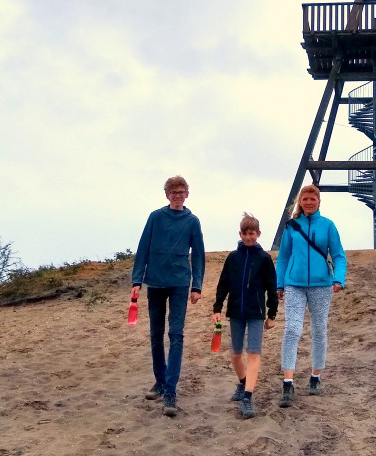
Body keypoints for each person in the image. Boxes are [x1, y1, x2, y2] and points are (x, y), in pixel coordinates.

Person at [131, 175, 205, 417]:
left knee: (176, 335)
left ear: (186, 194)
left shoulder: (192, 221)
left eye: (181, 192)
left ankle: (171, 391)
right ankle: (160, 382)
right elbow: (143, 248)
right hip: (155, 282)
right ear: (167, 195)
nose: (177, 195)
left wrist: (197, 286)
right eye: (173, 192)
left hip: (180, 284)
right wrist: (137, 280)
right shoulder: (155, 217)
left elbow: (199, 256)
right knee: (155, 334)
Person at [275, 184, 346, 408]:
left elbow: (339, 256)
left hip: (321, 286)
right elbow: (283, 258)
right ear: (300, 202)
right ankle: (288, 381)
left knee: (318, 329)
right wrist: (279, 284)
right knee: (292, 330)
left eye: (312, 199)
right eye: (304, 199)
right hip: (294, 284)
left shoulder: (328, 226)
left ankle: (315, 376)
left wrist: (338, 279)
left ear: (318, 202)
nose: (308, 202)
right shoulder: (291, 227)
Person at [212, 213, 278, 419]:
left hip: (257, 313)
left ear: (258, 234)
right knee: (235, 353)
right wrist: (217, 308)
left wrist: (272, 314)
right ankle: (242, 383)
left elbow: (271, 288)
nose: (249, 237)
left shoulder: (264, 259)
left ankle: (248, 397)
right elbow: (223, 284)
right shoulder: (233, 257)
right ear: (240, 234)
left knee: (254, 353)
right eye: (245, 234)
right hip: (235, 312)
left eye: (252, 234)